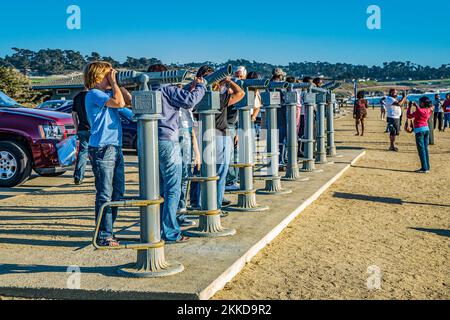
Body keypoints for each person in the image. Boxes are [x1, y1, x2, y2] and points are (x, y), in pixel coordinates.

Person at [149, 63, 206, 244]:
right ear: (165, 75)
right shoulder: (168, 88)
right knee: (173, 188)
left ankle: (155, 227)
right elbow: (189, 101)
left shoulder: (147, 89)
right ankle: (171, 232)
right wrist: (201, 86)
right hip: (168, 141)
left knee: (157, 188)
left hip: (149, 142)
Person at [84, 61, 131, 247]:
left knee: (118, 193)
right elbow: (119, 102)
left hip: (114, 147)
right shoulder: (93, 94)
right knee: (105, 194)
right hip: (102, 148)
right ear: (97, 77)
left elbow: (127, 102)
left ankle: (108, 231)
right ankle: (104, 235)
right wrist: (114, 84)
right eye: (107, 75)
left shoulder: (106, 94)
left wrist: (117, 83)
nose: (110, 77)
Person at [225, 66, 247, 193]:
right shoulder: (230, 90)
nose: (238, 78)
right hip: (228, 124)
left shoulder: (242, 89)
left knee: (237, 155)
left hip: (236, 125)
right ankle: (230, 181)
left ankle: (234, 179)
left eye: (240, 76)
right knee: (230, 155)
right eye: (236, 75)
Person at [407, 97, 433, 173]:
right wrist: (416, 106)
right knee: (425, 149)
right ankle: (427, 166)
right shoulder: (429, 110)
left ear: (422, 103)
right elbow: (422, 111)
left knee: (421, 150)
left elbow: (409, 116)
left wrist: (409, 107)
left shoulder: (419, 111)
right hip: (426, 129)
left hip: (419, 130)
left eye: (419, 102)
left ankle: (424, 168)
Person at [72, 89, 89, 185]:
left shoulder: (77, 97)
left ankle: (78, 177)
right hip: (93, 129)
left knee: (82, 153)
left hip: (82, 129)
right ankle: (99, 175)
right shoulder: (93, 95)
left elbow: (74, 114)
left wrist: (77, 128)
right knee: (96, 153)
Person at [271, 68, 287, 164]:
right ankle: (280, 160)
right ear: (280, 76)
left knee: (274, 139)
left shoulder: (268, 85)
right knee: (281, 138)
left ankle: (276, 160)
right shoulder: (279, 86)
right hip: (280, 114)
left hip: (273, 115)